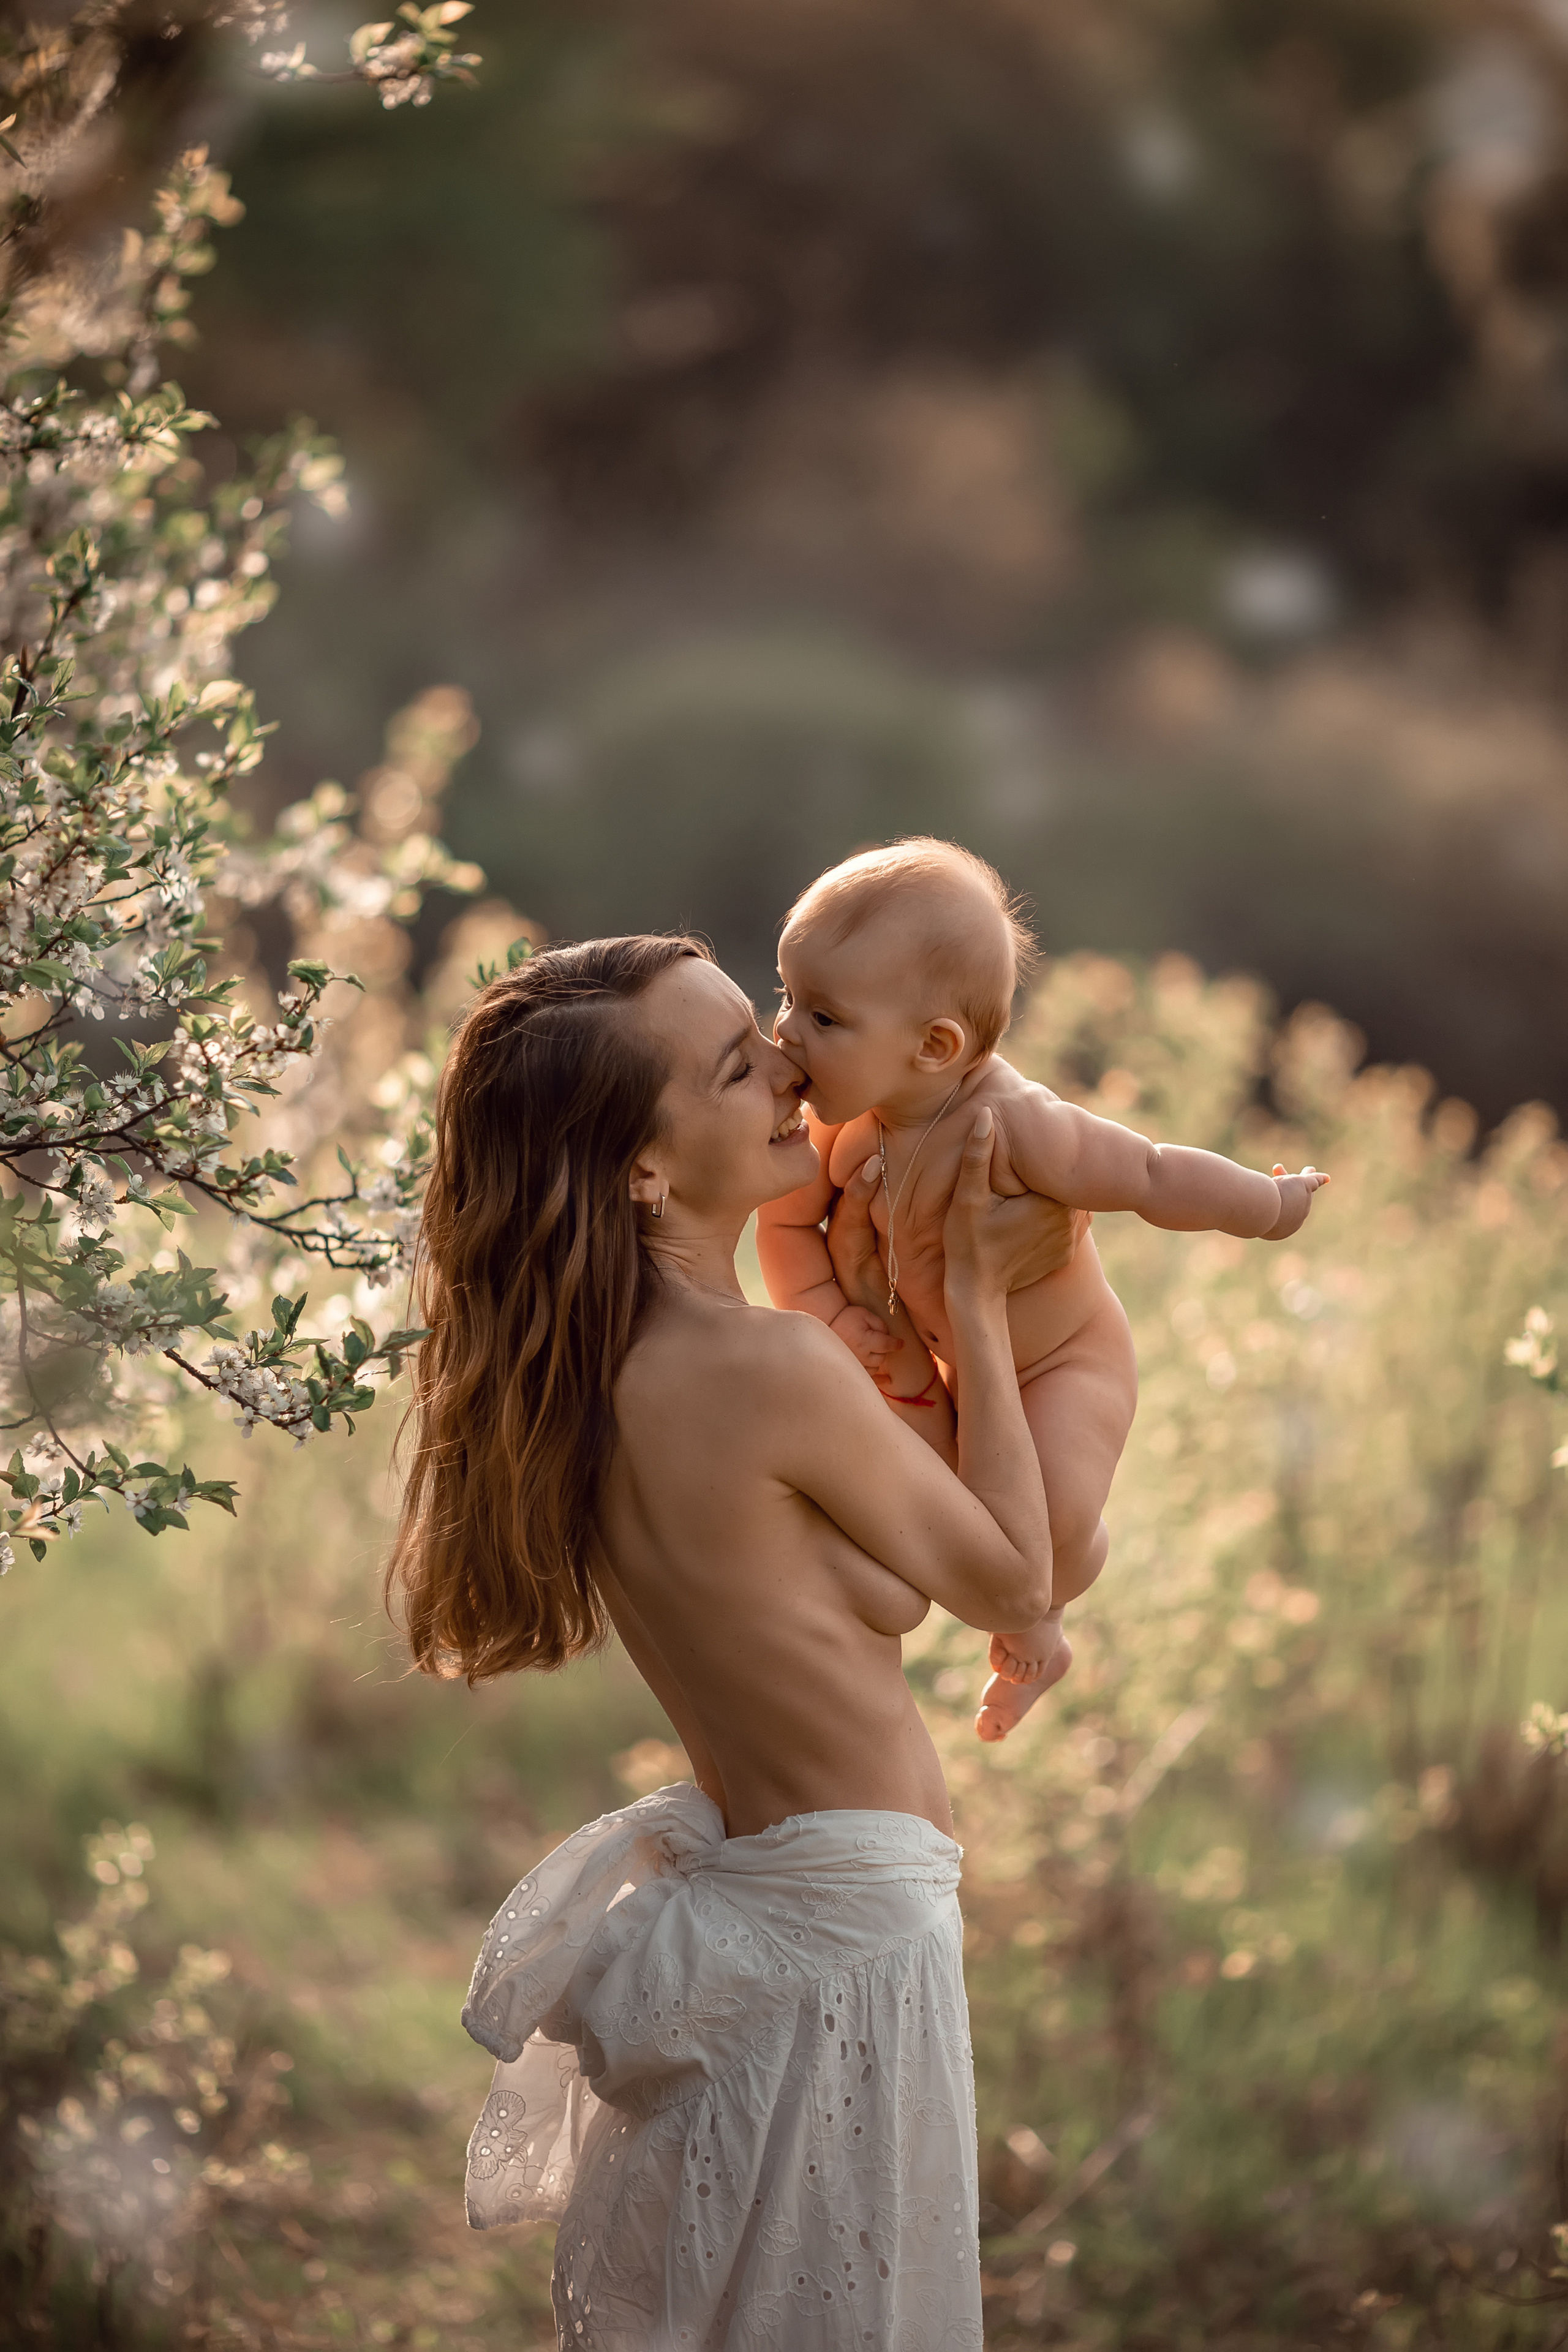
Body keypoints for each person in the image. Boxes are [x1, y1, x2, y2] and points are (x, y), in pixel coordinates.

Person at [385, 933, 1075, 2352]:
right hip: (842, 1941)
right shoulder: (764, 1367)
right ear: (641, 1169)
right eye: (729, 1065)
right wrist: (987, 1302)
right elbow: (1011, 1579)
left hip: (782, 1912)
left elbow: (860, 1602)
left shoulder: (607, 1371)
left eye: (760, 1027)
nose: (784, 1063)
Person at [758, 838, 1329, 1741]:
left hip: (1068, 1361)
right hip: (955, 1363)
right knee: (944, 1503)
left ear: (935, 1046)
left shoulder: (1017, 1126)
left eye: (823, 1017)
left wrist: (1268, 1205)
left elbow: (1147, 1172)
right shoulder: (843, 1131)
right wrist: (830, 1314)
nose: (785, 1031)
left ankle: (1049, 1611)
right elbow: (786, 1229)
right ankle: (1030, 1623)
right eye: (787, 996)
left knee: (1053, 1517)